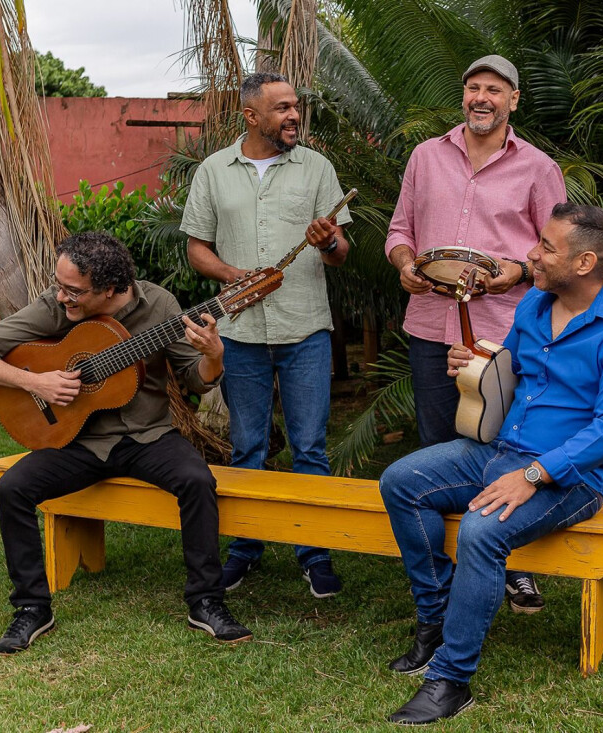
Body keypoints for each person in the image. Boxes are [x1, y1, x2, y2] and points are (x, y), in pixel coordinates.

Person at [379, 203, 603, 724]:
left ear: (584, 263)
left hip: (570, 480)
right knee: (401, 481)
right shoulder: (533, 303)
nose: (531, 253)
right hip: (498, 451)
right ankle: (435, 620)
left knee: (482, 532)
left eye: (547, 247)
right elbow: (508, 372)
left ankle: (451, 679)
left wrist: (533, 475)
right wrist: (475, 367)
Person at [0, 231, 252, 654]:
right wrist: (35, 380)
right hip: (77, 440)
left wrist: (214, 356)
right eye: (60, 286)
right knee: (11, 489)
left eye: (73, 291)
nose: (61, 297)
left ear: (111, 289)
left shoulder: (159, 306)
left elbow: (194, 379)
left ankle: (205, 601)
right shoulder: (56, 308)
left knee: (197, 481)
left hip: (147, 437)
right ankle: (32, 609)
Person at [385, 54, 567, 614]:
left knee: (503, 444)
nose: (480, 98)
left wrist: (514, 271)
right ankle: (439, 577)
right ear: (462, 96)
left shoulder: (538, 167)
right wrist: (404, 263)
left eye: (494, 89)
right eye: (472, 88)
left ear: (513, 100)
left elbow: (553, 250)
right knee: (438, 445)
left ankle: (507, 563)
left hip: (503, 332)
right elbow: (399, 229)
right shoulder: (425, 157)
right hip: (431, 328)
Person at [181, 71, 352, 599]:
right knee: (248, 446)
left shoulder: (317, 168)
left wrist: (327, 242)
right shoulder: (214, 172)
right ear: (251, 116)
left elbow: (341, 252)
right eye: (281, 108)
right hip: (240, 333)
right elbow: (196, 248)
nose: (294, 115)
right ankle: (246, 549)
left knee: (309, 447)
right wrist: (234, 277)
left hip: (305, 330)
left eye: (296, 106)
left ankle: (315, 553)